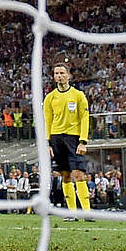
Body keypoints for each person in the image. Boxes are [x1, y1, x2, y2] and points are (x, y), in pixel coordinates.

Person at [43, 61, 91, 218]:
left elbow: (85, 118)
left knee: (78, 174)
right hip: (56, 138)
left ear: (69, 76)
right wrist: (48, 143)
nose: (59, 76)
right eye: (56, 73)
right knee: (65, 175)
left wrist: (83, 141)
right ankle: (72, 213)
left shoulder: (78, 95)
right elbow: (47, 121)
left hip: (73, 138)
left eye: (62, 73)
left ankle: (87, 212)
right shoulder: (50, 98)